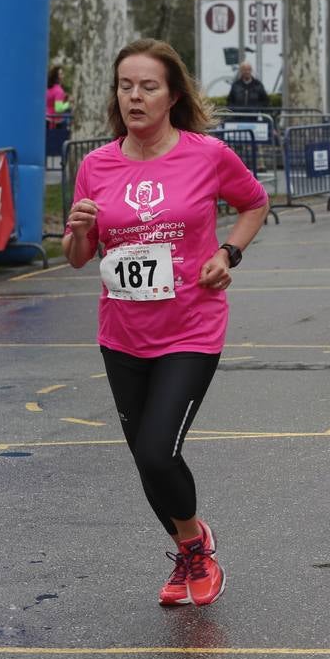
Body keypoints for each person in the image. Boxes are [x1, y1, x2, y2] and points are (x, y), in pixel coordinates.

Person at [63, 38, 270, 607]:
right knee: (146, 460)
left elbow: (255, 202)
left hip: (191, 328)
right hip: (123, 335)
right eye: (126, 85)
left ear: (172, 94)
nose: (135, 95)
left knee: (157, 450)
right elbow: (78, 256)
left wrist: (228, 254)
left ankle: (196, 547)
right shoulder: (96, 165)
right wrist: (80, 229)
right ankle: (189, 546)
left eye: (148, 86)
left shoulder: (206, 154)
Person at [46, 65, 71, 129]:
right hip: (54, 125)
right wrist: (69, 104)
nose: (63, 76)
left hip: (46, 120)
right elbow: (58, 109)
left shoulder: (48, 88)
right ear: (57, 77)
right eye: (61, 74)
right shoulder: (59, 91)